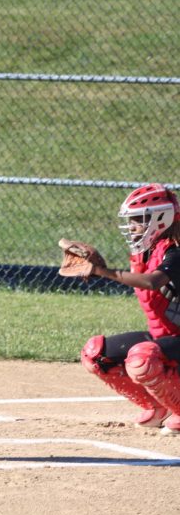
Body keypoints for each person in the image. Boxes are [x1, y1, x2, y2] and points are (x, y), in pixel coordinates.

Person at [81, 183, 180, 434]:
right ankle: (158, 406)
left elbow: (152, 282)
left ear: (160, 219)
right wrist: (101, 269)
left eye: (138, 221)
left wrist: (104, 272)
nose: (133, 227)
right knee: (96, 354)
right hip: (166, 337)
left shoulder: (176, 251)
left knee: (142, 358)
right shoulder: (147, 252)